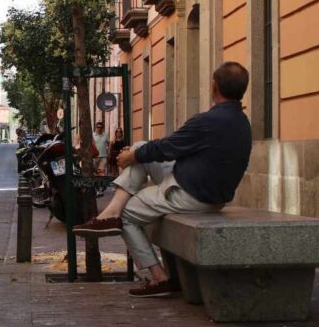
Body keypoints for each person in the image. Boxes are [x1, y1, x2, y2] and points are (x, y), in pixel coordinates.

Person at [73, 62, 252, 298]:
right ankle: (110, 213)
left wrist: (132, 156)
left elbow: (169, 147)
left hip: (191, 194)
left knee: (128, 214)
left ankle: (159, 278)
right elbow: (171, 148)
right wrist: (136, 153)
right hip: (206, 191)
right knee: (140, 147)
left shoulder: (208, 121)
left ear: (214, 86)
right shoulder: (242, 122)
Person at [92, 121, 109, 196]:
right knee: (95, 173)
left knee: (101, 172)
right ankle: (96, 187)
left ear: (103, 128)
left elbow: (109, 143)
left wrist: (109, 152)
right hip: (95, 157)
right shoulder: (92, 135)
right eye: (98, 127)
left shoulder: (105, 135)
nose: (99, 129)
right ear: (95, 128)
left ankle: (100, 188)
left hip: (103, 156)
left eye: (101, 127)